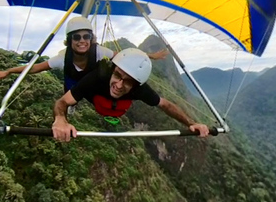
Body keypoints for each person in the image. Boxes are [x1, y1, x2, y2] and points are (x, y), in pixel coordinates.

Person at [52, 48, 210, 142]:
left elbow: (165, 105)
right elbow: (62, 101)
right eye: (118, 76)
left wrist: (191, 123)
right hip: (95, 97)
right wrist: (60, 119)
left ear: (135, 84)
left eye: (127, 82)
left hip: (115, 107)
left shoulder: (139, 88)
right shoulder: (96, 78)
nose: (119, 85)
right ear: (112, 70)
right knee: (74, 95)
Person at [0, 16, 168, 91]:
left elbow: (125, 56)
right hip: (72, 80)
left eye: (86, 36)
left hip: (89, 78)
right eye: (77, 37)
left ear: (91, 38)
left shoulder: (99, 51)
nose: (82, 40)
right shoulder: (62, 57)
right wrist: (9, 71)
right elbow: (35, 68)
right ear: (70, 40)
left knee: (102, 78)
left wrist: (152, 57)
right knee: (70, 94)